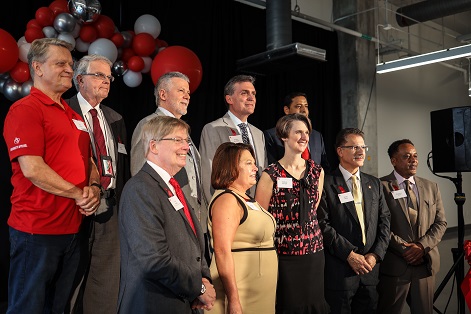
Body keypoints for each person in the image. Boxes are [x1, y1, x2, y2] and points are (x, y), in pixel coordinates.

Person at [2, 38, 101, 314]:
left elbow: (88, 160)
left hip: (72, 230)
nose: (69, 69)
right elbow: (32, 168)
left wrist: (93, 186)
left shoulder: (72, 114)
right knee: (28, 308)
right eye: (60, 63)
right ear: (38, 67)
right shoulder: (25, 110)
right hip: (36, 232)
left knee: (59, 308)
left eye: (70, 64)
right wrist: (78, 193)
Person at [118, 116, 216, 313]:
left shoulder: (172, 187)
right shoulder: (140, 189)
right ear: (153, 147)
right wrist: (199, 287)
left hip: (180, 300)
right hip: (153, 303)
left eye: (186, 141)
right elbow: (154, 260)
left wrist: (203, 277)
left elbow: (193, 242)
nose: (186, 147)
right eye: (177, 140)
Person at [66, 54, 130, 314]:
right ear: (79, 79)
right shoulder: (63, 110)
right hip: (75, 204)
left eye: (109, 77)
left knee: (106, 278)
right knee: (70, 275)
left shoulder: (115, 117)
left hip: (110, 206)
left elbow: (122, 165)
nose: (106, 81)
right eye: (99, 75)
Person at [256, 113, 329, 313]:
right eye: (298, 132)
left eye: (306, 132)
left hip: (314, 252)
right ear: (284, 136)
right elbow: (261, 218)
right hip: (283, 254)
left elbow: (313, 211)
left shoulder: (317, 171)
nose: (304, 136)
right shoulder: (270, 174)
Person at [130, 72, 208, 253]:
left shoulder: (182, 130)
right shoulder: (148, 124)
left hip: (191, 215)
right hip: (167, 219)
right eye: (181, 90)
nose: (187, 96)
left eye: (188, 92)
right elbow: (140, 175)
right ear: (163, 95)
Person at [317, 128, 390, 314]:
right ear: (340, 151)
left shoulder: (374, 184)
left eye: (363, 147)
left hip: (370, 271)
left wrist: (375, 256)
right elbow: (322, 224)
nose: (361, 151)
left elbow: (385, 222)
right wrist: (349, 254)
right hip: (341, 272)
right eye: (354, 147)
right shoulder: (325, 183)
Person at [377, 139, 447, 314]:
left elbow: (441, 222)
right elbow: (380, 225)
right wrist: (405, 249)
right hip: (395, 265)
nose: (413, 160)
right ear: (394, 160)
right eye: (407, 156)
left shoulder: (431, 187)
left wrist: (422, 247)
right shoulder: (380, 186)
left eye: (415, 156)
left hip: (425, 263)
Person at [207, 142, 277, 314]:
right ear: (230, 167)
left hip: (258, 291)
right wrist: (234, 300)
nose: (255, 168)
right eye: (248, 163)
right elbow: (222, 250)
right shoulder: (227, 200)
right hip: (241, 291)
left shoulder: (245, 197)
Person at [199, 75, 267, 201]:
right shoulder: (213, 129)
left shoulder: (259, 134)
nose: (251, 98)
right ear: (229, 99)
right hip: (227, 205)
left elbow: (263, 177)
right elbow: (209, 173)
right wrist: (215, 206)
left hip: (254, 207)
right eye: (244, 93)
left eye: (253, 94)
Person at [263, 92, 330, 170]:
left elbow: (325, 167)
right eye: (298, 106)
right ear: (287, 110)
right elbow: (272, 167)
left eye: (306, 106)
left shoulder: (317, 136)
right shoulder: (273, 135)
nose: (304, 110)